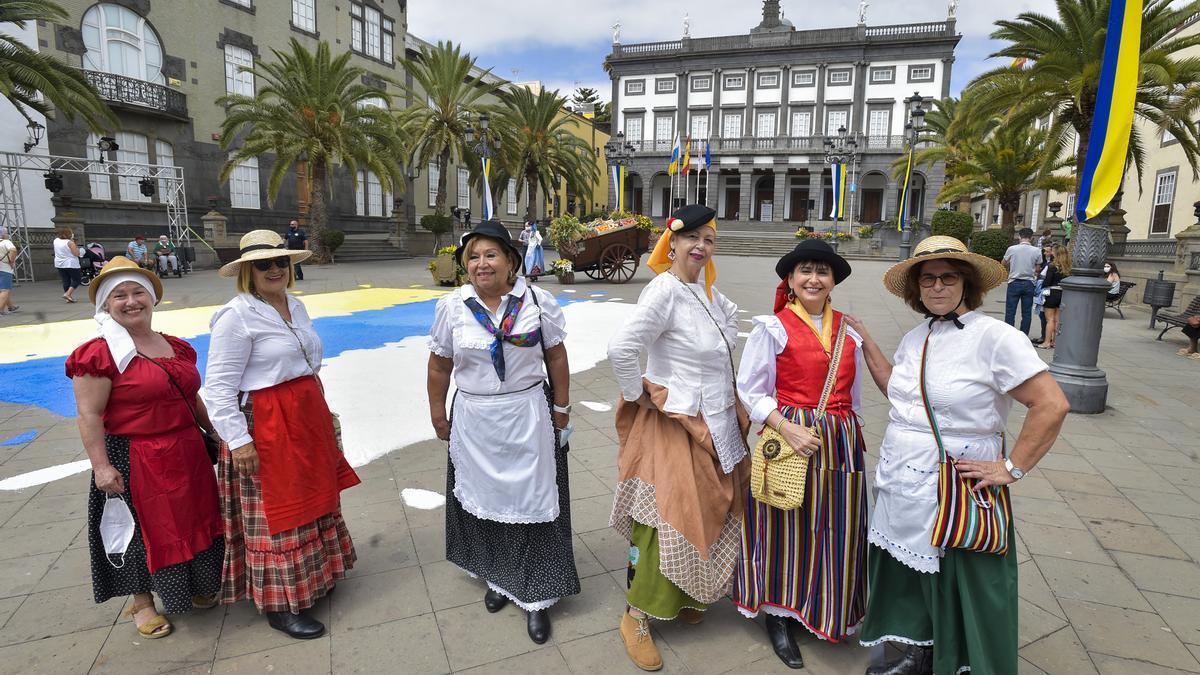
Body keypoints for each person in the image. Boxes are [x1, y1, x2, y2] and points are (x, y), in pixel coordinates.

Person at [851, 235, 1068, 674]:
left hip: (959, 482)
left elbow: (1052, 404)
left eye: (948, 277)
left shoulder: (996, 337)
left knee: (961, 573)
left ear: (966, 283)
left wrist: (1012, 468)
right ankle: (921, 649)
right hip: (903, 475)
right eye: (927, 279)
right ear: (916, 289)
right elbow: (903, 395)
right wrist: (866, 343)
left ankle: (964, 659)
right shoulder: (916, 337)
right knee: (913, 571)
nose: (937, 287)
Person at [607, 204, 751, 671]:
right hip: (675, 425)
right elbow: (623, 347)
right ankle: (635, 617)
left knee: (708, 513)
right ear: (673, 244)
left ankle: (687, 592)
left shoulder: (708, 295)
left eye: (709, 239)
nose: (701, 247)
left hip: (716, 423)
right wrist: (639, 396)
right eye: (692, 238)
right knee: (666, 518)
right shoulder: (665, 290)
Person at [203, 230, 360, 639]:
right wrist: (239, 441)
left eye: (280, 262)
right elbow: (218, 387)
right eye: (263, 264)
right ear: (247, 272)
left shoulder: (295, 305)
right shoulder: (236, 316)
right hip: (266, 421)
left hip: (303, 414)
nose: (274, 269)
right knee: (279, 510)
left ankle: (314, 578)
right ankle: (280, 603)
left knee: (311, 496)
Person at [427, 219, 578, 645]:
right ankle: (498, 577)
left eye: (490, 254)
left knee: (533, 502)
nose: (480, 264)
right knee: (485, 502)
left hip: (527, 414)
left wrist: (562, 410)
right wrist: (438, 415)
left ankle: (537, 595)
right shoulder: (452, 308)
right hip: (475, 421)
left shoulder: (536, 301)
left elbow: (556, 356)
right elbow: (440, 365)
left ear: (511, 261)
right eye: (473, 256)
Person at [66, 256, 225, 640]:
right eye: (119, 295)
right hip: (134, 456)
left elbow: (191, 395)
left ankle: (196, 585)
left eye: (138, 292)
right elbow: (89, 414)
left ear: (153, 298)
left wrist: (215, 433)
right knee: (141, 532)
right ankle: (142, 602)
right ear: (106, 305)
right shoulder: (98, 354)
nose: (131, 301)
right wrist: (102, 467)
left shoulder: (176, 347)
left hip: (186, 449)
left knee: (195, 517)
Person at [734, 240, 874, 668]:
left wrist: (853, 437)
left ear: (833, 282)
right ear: (791, 281)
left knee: (837, 527)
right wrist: (786, 427)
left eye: (823, 272)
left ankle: (824, 607)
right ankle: (778, 616)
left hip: (841, 443)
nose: (814, 278)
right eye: (805, 271)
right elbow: (749, 390)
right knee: (784, 526)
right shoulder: (772, 328)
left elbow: (856, 396)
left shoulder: (850, 331)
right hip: (790, 436)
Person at [1002, 228, 1041, 334]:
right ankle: (1024, 334)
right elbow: (1038, 268)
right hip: (1029, 282)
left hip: (1014, 281)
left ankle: (1009, 334)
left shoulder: (1012, 249)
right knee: (1027, 312)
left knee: (1010, 311)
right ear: (1031, 238)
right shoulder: (1037, 251)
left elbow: (1003, 263)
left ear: (1019, 236)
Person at [1039, 244, 1072, 350]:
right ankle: (1055, 342)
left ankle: (1047, 342)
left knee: (1050, 319)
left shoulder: (1052, 266)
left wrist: (1041, 285)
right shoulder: (1068, 267)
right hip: (1063, 293)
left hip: (1052, 292)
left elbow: (1047, 282)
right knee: (1058, 319)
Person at [53, 227, 82, 303]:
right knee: (77, 279)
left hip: (59, 263)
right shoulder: (70, 243)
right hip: (71, 263)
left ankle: (67, 298)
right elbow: (76, 253)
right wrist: (74, 243)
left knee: (66, 280)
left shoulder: (56, 241)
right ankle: (68, 294)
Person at [0, 227, 18, 315]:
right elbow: (13, 250)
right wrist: (11, 260)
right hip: (5, 269)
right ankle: (0, 310)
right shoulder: (6, 242)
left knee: (1, 290)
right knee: (5, 290)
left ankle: (11, 306)